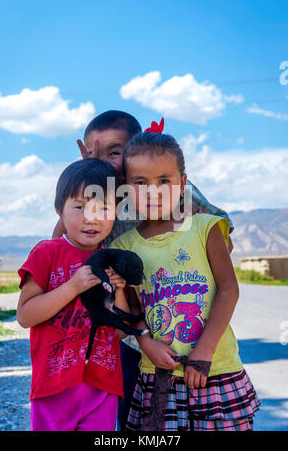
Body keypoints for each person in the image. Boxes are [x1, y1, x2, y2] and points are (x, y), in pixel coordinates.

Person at [51, 110, 235, 431]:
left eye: (114, 152)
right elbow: (60, 244)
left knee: (186, 402)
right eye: (94, 154)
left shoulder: (170, 191)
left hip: (173, 317)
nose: (105, 163)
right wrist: (84, 177)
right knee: (133, 408)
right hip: (128, 327)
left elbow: (218, 238)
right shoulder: (96, 197)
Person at [110, 125, 260, 431]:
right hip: (156, 375)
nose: (153, 191)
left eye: (164, 181)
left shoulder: (204, 228)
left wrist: (204, 351)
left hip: (216, 369)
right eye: (141, 182)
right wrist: (145, 342)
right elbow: (129, 310)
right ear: (126, 187)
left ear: (183, 183)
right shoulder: (122, 248)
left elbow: (228, 290)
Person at [17, 158, 129, 431]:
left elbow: (122, 331)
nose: (91, 218)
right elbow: (25, 315)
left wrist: (121, 290)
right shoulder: (47, 253)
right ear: (60, 210)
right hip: (54, 385)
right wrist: (71, 288)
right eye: (80, 207)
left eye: (103, 208)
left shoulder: (113, 259)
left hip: (102, 384)